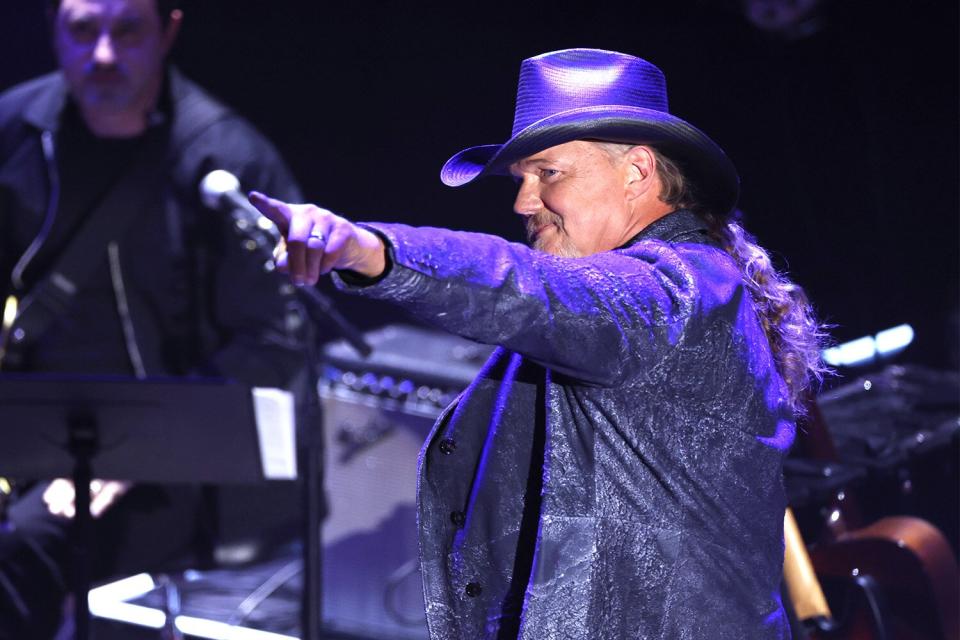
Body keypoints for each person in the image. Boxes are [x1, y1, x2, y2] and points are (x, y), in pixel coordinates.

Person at [251, 48, 827, 639]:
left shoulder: (676, 287)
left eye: (548, 172)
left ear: (637, 171)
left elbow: (532, 288)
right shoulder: (656, 290)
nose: (524, 202)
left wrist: (373, 252)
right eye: (521, 178)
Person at [0, 0, 311, 637]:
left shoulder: (227, 158)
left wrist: (135, 448)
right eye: (84, 31)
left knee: (24, 545)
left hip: (177, 461)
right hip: (31, 424)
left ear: (168, 30)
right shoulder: (15, 130)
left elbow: (274, 342)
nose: (105, 53)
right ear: (56, 33)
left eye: (128, 30)